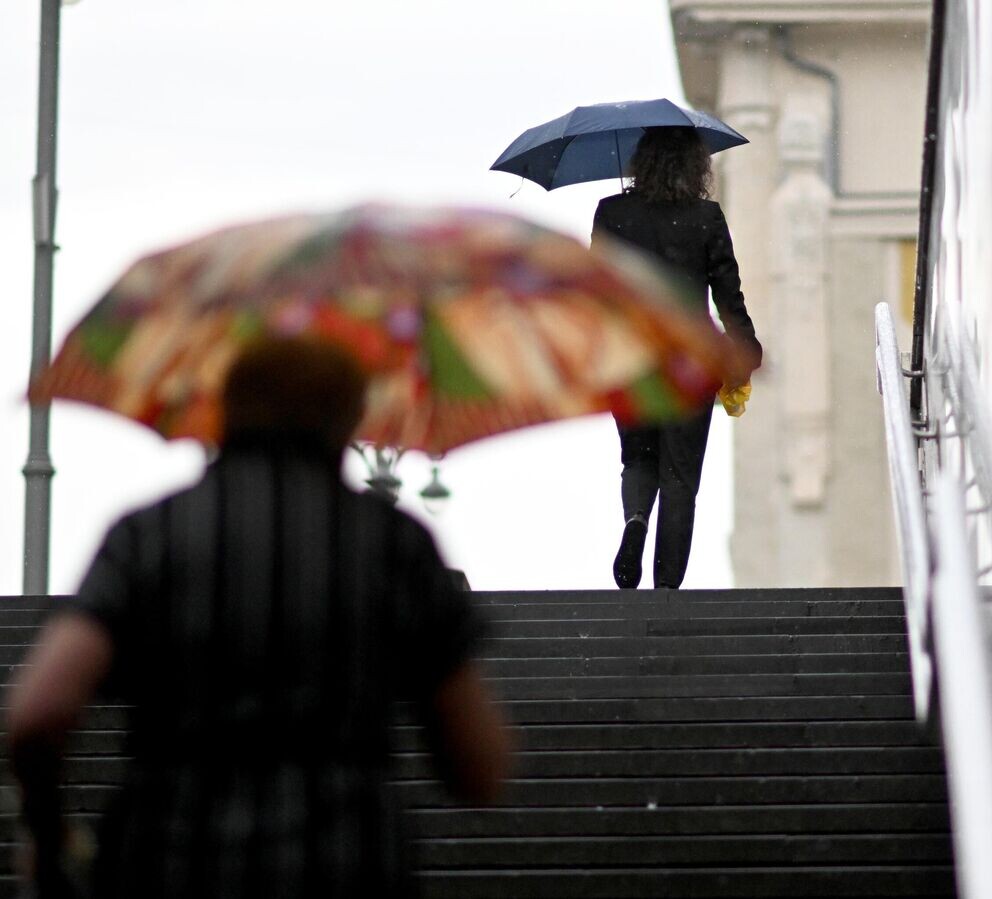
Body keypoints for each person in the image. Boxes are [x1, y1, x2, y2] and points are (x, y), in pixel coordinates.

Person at [7, 336, 512, 898]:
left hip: (166, 864)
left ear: (224, 408)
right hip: (348, 865)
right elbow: (479, 767)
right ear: (349, 419)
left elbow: (37, 715)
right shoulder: (396, 545)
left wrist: (50, 835)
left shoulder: (148, 534)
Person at [592, 126, 763, 590]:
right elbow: (729, 294)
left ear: (642, 162)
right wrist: (746, 347)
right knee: (681, 475)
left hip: (630, 358)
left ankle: (635, 521)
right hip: (691, 360)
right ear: (694, 166)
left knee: (638, 458)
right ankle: (667, 590)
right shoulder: (705, 217)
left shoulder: (611, 212)